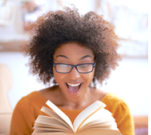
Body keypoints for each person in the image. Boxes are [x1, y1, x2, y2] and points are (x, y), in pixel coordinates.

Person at [10, 7, 135, 135]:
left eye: (84, 64)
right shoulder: (28, 107)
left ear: (96, 65)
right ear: (51, 64)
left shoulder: (117, 108)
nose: (74, 76)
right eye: (63, 64)